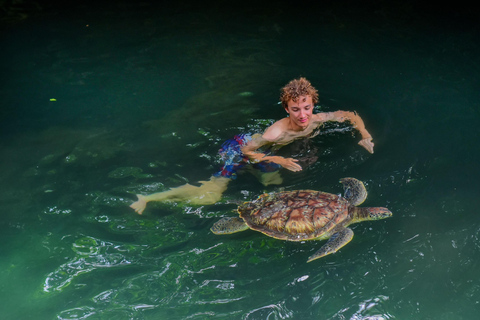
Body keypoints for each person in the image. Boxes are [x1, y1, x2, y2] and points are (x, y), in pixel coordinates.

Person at [130, 77, 374, 214]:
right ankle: (148, 197)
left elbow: (349, 115)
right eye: (295, 109)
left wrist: (364, 134)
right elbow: (248, 151)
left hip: (265, 152)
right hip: (240, 149)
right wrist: (279, 160)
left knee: (273, 185)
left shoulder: (317, 119)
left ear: (313, 105)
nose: (303, 115)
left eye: (307, 107)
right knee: (211, 195)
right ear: (286, 109)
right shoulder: (275, 132)